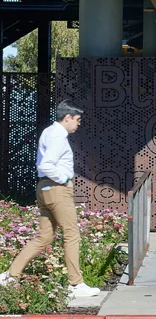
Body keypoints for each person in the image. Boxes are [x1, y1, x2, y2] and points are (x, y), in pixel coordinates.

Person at [0, 101, 102, 302]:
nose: (78, 124)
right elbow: (46, 164)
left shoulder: (49, 132)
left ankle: (11, 276)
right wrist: (65, 180)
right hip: (57, 189)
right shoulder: (58, 136)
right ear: (67, 118)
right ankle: (76, 284)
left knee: (45, 237)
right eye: (77, 120)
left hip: (44, 188)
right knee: (72, 233)